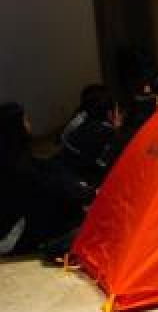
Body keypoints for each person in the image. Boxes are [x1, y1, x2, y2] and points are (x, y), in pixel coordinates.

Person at [1, 102, 92, 257]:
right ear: (16, 128)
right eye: (25, 120)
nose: (29, 124)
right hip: (15, 239)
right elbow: (51, 189)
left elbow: (47, 172)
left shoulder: (14, 158)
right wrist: (83, 192)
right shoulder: (18, 168)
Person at [54, 85, 122, 189]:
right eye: (117, 110)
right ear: (110, 113)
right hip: (83, 185)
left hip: (63, 173)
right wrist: (117, 130)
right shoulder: (107, 134)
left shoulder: (78, 121)